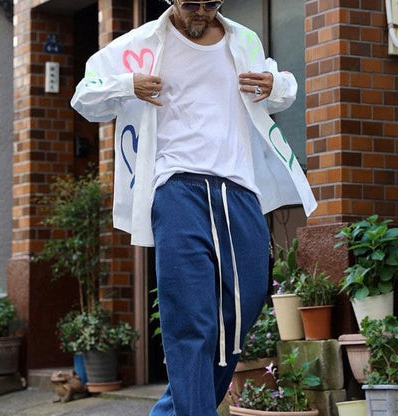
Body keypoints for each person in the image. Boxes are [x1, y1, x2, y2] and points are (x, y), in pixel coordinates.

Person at [71, 1, 317, 415]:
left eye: (210, 3)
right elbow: (84, 96)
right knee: (190, 318)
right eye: (191, 4)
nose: (200, 12)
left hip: (239, 187)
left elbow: (284, 88)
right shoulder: (141, 45)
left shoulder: (244, 41)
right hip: (176, 187)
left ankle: (173, 410)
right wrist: (127, 84)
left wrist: (275, 85)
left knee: (248, 299)